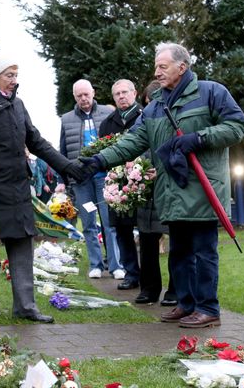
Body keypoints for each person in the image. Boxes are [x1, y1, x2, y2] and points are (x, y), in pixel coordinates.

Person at [75, 42, 244, 328]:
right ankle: (186, 303)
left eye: (162, 67)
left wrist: (200, 137)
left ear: (183, 67)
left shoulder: (211, 92)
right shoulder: (155, 106)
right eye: (156, 67)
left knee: (204, 251)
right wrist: (98, 160)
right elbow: (133, 141)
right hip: (172, 190)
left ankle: (208, 309)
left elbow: (236, 126)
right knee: (179, 252)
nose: (157, 72)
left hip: (203, 189)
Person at [0, 51, 86, 324]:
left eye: (16, 75)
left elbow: (37, 142)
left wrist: (68, 166)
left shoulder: (18, 105)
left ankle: (25, 306)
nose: (14, 81)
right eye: (9, 75)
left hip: (17, 192)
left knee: (23, 246)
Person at [56, 79, 123, 280]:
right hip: (81, 181)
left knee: (109, 222)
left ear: (93, 93)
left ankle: (115, 265)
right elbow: (63, 151)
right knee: (88, 222)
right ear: (74, 97)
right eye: (79, 96)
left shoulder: (107, 113)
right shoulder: (66, 119)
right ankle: (96, 265)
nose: (83, 99)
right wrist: (62, 179)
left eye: (86, 94)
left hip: (105, 179)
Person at [135, 80, 176, 306]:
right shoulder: (142, 121)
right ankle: (149, 288)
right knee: (147, 241)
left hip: (168, 187)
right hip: (146, 190)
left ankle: (175, 290)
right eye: (147, 102)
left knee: (176, 242)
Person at [98, 79, 142, 290]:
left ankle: (150, 278)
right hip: (117, 183)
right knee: (122, 230)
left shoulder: (145, 116)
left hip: (144, 180)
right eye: (117, 94)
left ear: (135, 93)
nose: (121, 97)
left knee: (147, 231)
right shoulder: (107, 123)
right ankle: (131, 274)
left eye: (125, 92)